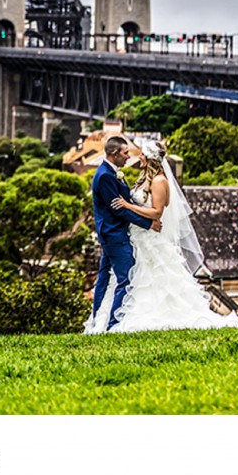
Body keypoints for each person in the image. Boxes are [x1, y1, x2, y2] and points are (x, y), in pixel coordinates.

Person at [85, 140, 238, 333]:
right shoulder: (126, 176)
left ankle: (113, 325)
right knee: (116, 279)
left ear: (151, 159)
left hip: (146, 238)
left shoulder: (159, 181)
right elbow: (121, 206)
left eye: (141, 154)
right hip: (130, 236)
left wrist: (132, 209)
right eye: (127, 153)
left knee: (137, 278)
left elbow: (156, 212)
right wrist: (139, 216)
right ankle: (104, 321)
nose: (135, 157)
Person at [88, 136, 161, 332]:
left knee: (103, 279)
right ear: (114, 154)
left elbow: (125, 201)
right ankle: (114, 325)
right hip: (114, 235)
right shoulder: (104, 176)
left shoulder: (112, 172)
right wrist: (148, 223)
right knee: (126, 277)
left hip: (111, 234)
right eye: (125, 152)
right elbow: (118, 209)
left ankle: (98, 320)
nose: (129, 156)